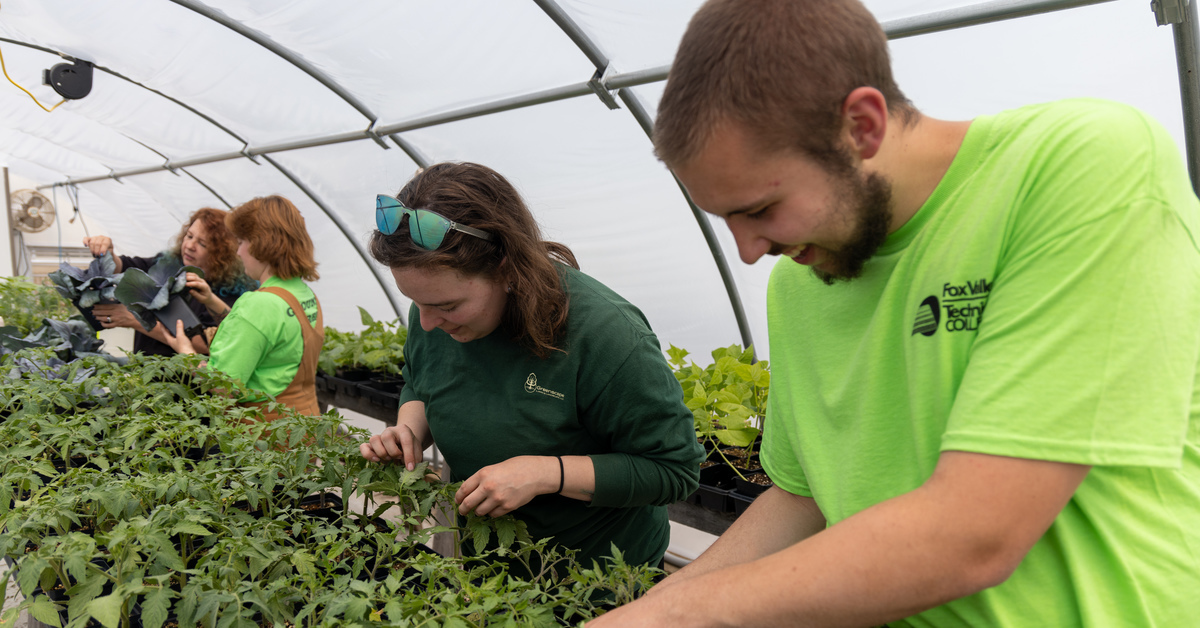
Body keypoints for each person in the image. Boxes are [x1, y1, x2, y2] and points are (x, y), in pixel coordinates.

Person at [589, 1, 1200, 626]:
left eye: (762, 208)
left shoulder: (1078, 167)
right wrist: (658, 605)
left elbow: (978, 532)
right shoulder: (800, 283)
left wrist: (683, 615)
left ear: (861, 125)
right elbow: (803, 499)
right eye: (726, 221)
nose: (749, 253)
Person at [358, 162, 703, 573]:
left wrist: (543, 473)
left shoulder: (605, 333)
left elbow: (673, 469)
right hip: (487, 560)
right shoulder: (431, 313)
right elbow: (420, 381)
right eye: (417, 304)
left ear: (505, 266)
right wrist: (408, 431)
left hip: (595, 578)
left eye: (447, 306)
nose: (428, 322)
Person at [165, 195, 324, 419]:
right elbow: (258, 333)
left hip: (265, 436)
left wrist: (186, 353)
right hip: (304, 423)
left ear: (260, 245)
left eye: (241, 242)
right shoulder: (302, 293)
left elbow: (223, 387)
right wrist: (211, 300)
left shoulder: (258, 304)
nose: (238, 252)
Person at [83, 207, 256, 355]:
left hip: (189, 387)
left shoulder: (230, 293)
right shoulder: (167, 265)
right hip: (146, 382)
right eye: (189, 236)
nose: (189, 246)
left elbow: (205, 344)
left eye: (202, 244)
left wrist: (134, 319)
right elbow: (125, 267)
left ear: (221, 254)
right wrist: (107, 253)